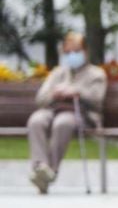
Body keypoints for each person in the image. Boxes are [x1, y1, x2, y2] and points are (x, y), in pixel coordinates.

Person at [26, 32, 107, 194]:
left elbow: (97, 100)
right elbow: (40, 98)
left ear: (85, 51)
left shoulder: (96, 74)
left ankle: (50, 172)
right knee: (36, 119)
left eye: (76, 51)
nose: (72, 55)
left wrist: (76, 92)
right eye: (68, 52)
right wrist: (55, 93)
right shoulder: (58, 73)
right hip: (52, 110)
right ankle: (40, 168)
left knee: (63, 122)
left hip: (81, 115)